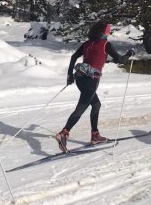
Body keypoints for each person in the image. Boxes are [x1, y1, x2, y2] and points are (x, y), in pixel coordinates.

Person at [56, 21, 134, 152]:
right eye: (108, 31)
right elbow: (120, 60)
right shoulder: (105, 44)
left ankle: (95, 135)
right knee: (81, 107)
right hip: (91, 80)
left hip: (79, 78)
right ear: (104, 32)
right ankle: (64, 133)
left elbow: (74, 57)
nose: (109, 32)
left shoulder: (87, 43)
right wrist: (130, 54)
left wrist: (69, 75)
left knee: (96, 104)